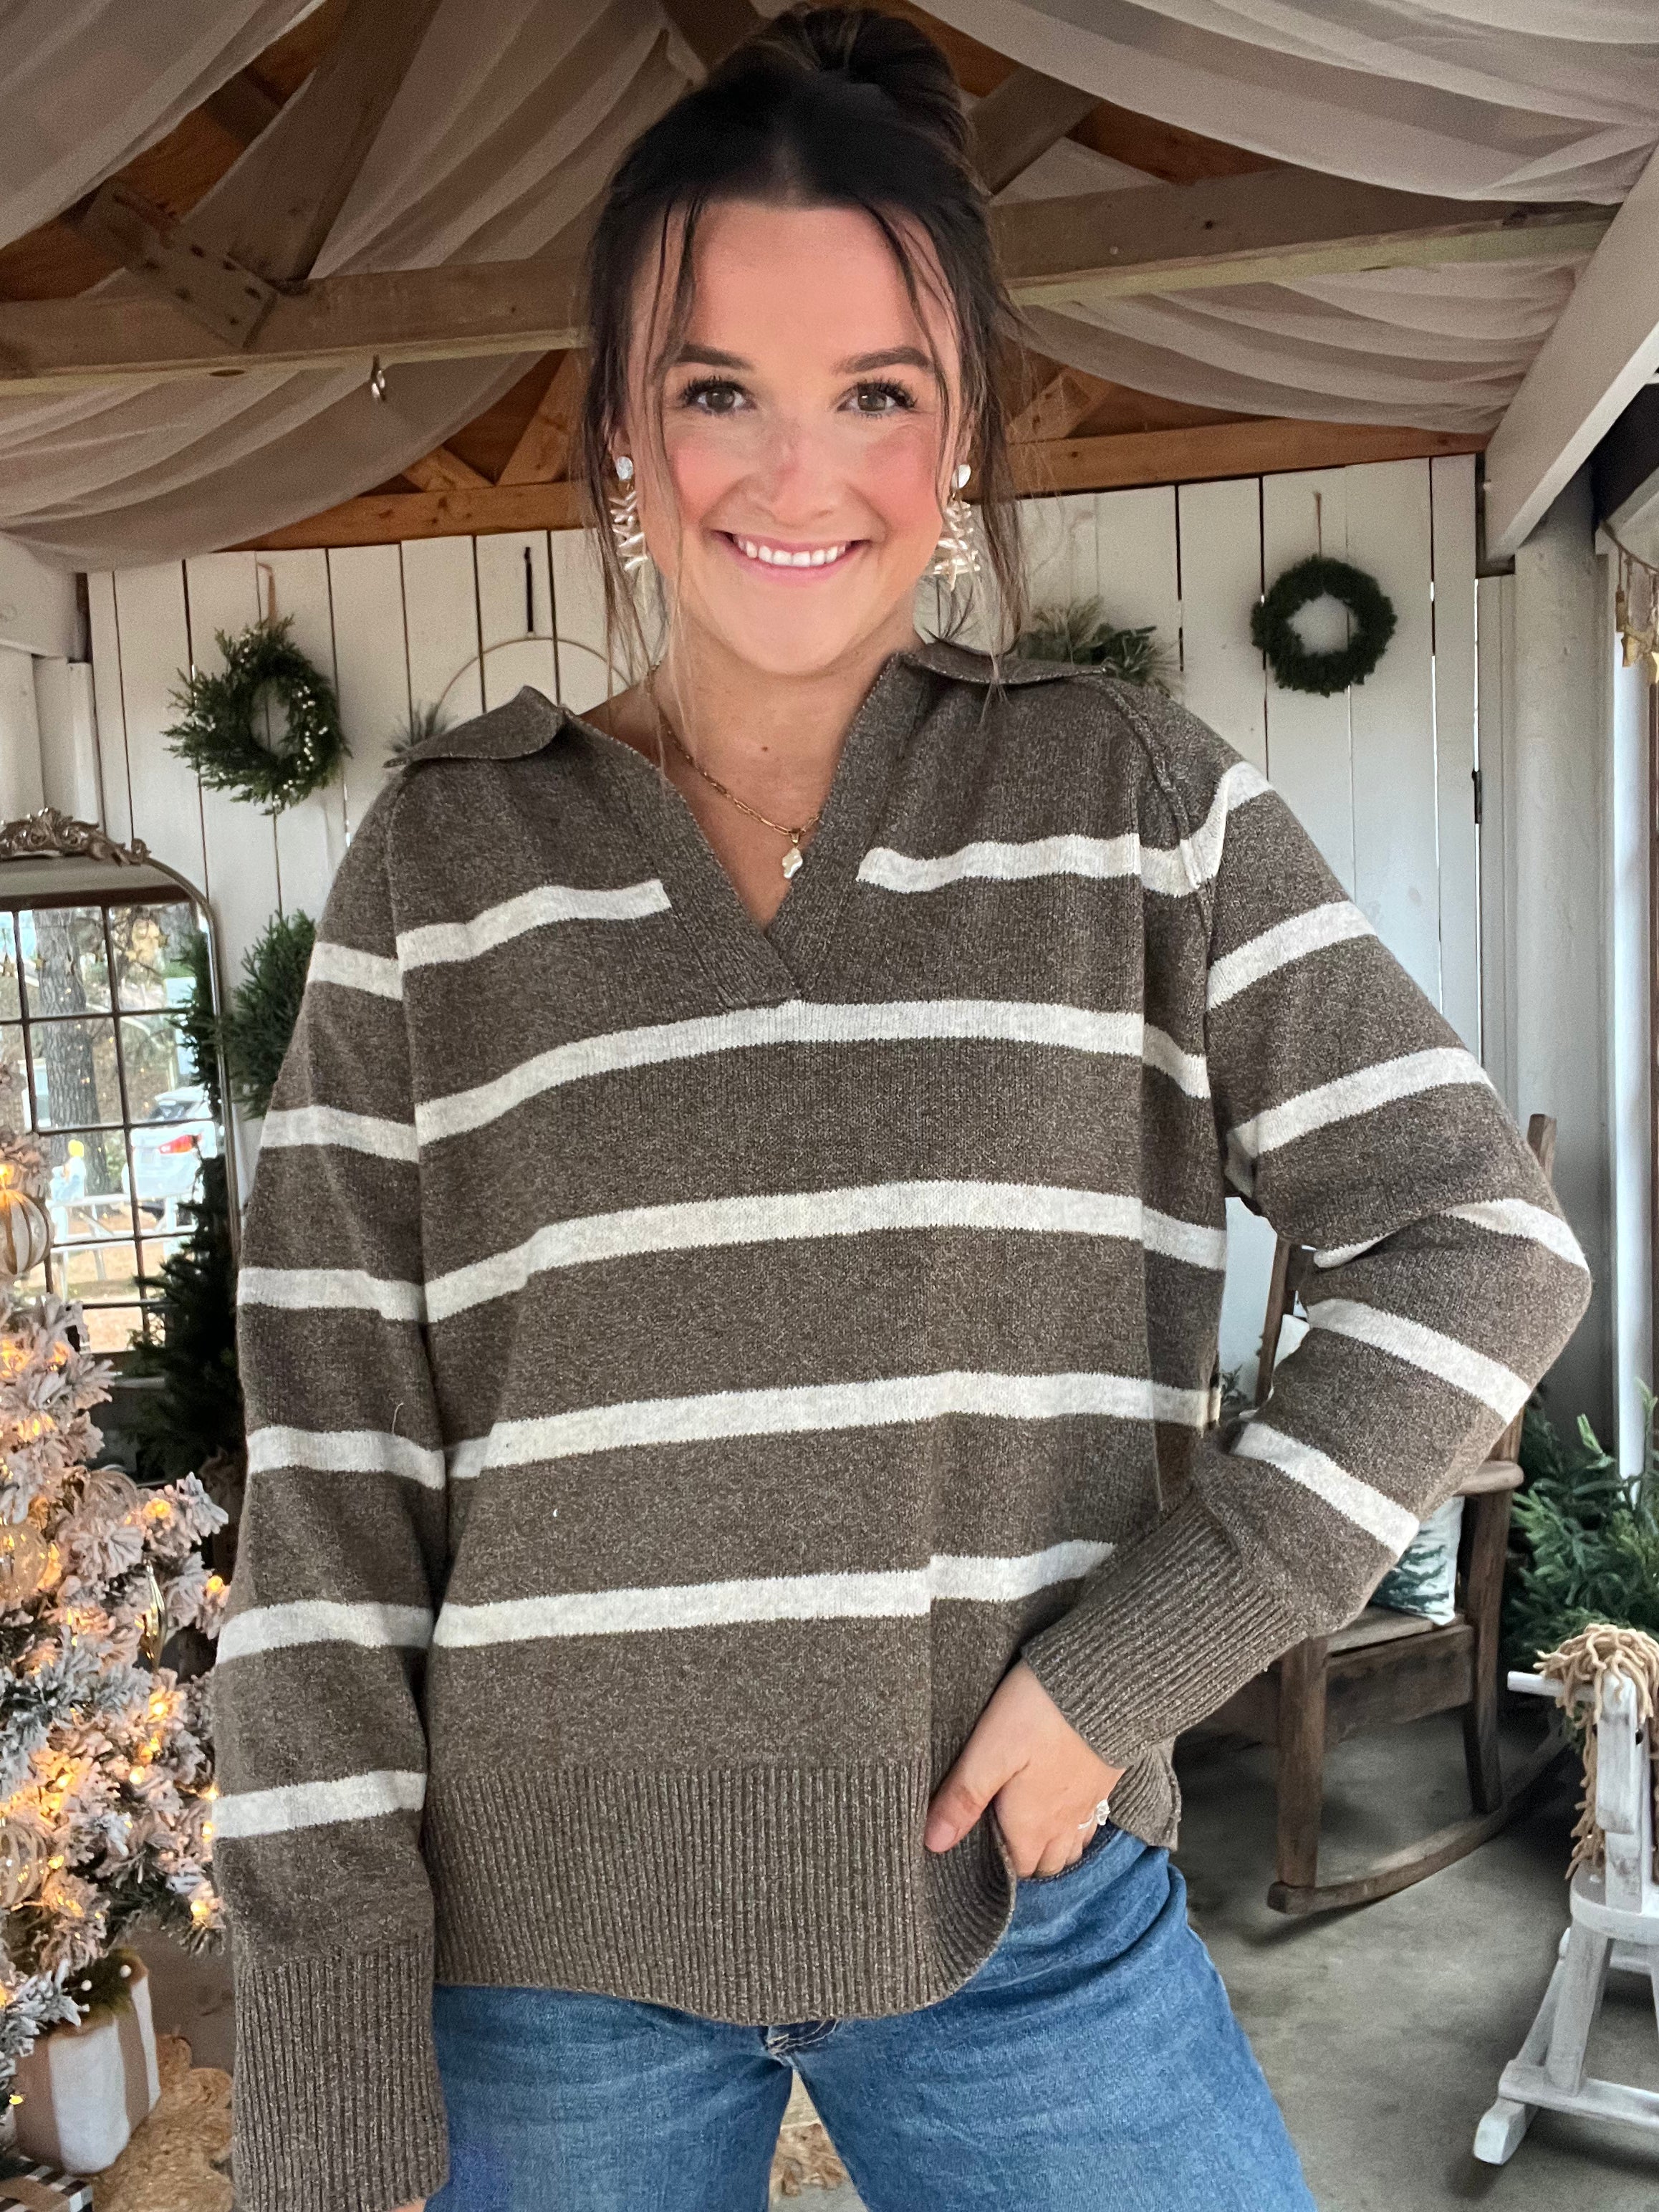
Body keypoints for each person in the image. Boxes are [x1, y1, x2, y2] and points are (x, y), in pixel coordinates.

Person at [208, 12, 1591, 2211]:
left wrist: (1127, 1672)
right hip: (530, 1962)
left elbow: (1474, 1245)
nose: (796, 474)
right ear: (616, 431)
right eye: (716, 391)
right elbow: (332, 1483)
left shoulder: (1129, 808)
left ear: (957, 435)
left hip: (1023, 1911)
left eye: (874, 391)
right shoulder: (440, 871)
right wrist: (331, 2032)